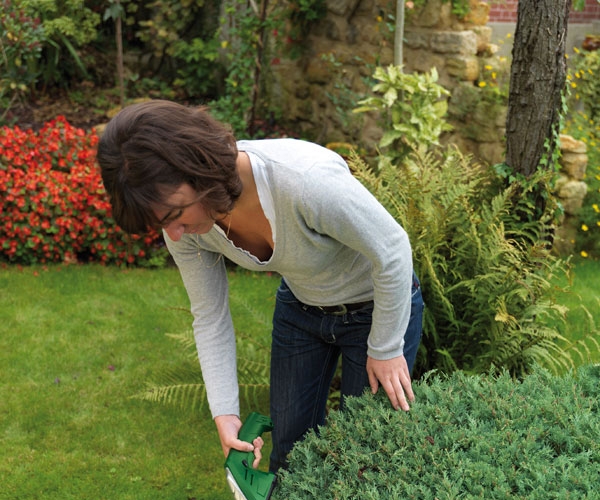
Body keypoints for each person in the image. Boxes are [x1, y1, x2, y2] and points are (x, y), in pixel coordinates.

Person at [97, 100, 424, 473]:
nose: (172, 234)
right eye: (161, 223)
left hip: (375, 308)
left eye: (174, 215)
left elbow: (393, 249)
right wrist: (225, 413)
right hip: (301, 309)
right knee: (289, 455)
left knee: (364, 456)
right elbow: (209, 316)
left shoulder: (304, 181)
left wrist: (384, 348)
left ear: (200, 170)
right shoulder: (183, 229)